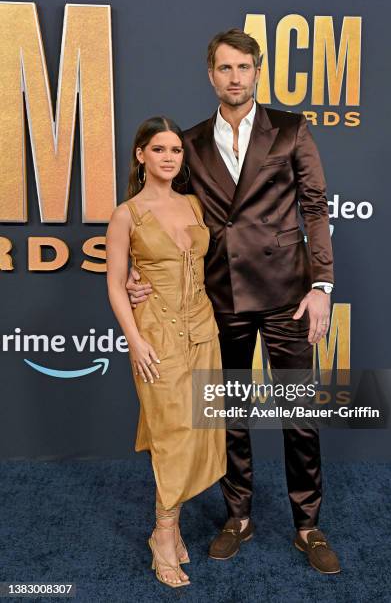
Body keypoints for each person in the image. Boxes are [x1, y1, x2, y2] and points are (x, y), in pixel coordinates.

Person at [126, 29, 341, 574]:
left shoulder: (291, 130)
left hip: (289, 295)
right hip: (219, 296)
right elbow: (167, 213)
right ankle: (237, 515)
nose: (235, 77)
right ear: (211, 75)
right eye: (224, 68)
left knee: (298, 412)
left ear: (256, 72)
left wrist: (322, 286)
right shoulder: (191, 142)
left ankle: (308, 524)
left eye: (244, 68)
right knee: (230, 414)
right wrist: (136, 268)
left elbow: (314, 208)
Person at [106, 116, 226, 588]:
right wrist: (135, 339)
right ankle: (164, 533)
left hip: (203, 329)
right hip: (155, 334)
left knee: (200, 428)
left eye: (176, 150)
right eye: (159, 149)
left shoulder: (194, 203)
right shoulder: (126, 214)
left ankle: (169, 527)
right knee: (173, 431)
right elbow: (116, 283)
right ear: (141, 155)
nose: (169, 157)